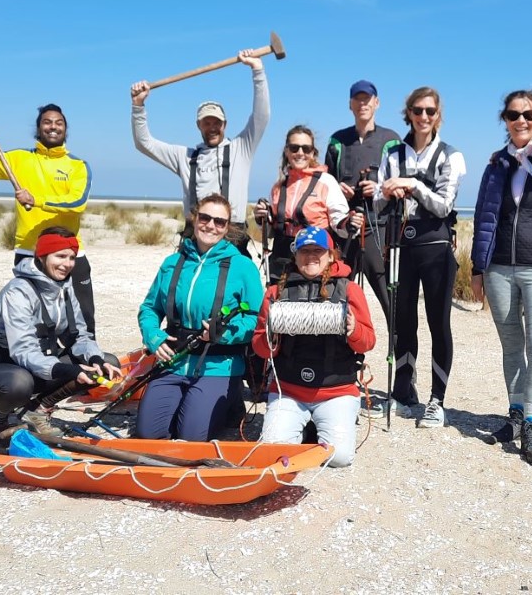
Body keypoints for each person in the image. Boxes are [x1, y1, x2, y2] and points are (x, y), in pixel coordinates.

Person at [470, 90, 532, 466]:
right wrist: (479, 267)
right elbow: (483, 217)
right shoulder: (496, 164)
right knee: (512, 347)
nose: (521, 120)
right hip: (498, 269)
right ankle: (514, 415)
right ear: (505, 120)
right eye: (513, 115)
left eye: (528, 114)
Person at [0, 227, 120, 447]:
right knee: (19, 382)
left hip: (36, 365)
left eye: (72, 258)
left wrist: (96, 360)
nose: (67, 264)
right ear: (42, 256)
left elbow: (79, 336)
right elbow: (23, 350)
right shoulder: (17, 291)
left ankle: (36, 411)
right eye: (60, 256)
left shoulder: (65, 288)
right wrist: (70, 370)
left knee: (106, 362)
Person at [373, 87, 466, 428]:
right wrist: (387, 190)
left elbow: (444, 205)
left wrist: (411, 185)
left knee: (438, 323)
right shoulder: (393, 154)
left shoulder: (450, 156)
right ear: (408, 113)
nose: (423, 117)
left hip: (435, 246)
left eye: (430, 111)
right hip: (400, 245)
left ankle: (437, 400)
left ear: (438, 115)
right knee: (402, 322)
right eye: (417, 110)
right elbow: (377, 203)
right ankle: (403, 388)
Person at [137, 193, 263, 441]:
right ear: (194, 219)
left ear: (227, 228)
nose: (211, 226)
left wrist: (225, 333)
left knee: (192, 438)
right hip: (173, 362)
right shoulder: (172, 263)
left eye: (220, 222)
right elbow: (149, 309)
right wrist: (154, 336)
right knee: (148, 435)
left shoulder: (242, 267)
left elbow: (256, 320)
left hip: (219, 365)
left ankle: (231, 402)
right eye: (205, 218)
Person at [0, 105, 97, 337]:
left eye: (58, 123)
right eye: (47, 122)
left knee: (82, 318)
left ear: (65, 129)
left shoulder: (78, 166)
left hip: (70, 254)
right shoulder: (18, 159)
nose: (53, 127)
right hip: (29, 252)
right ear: (38, 128)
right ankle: (39, 363)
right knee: (34, 318)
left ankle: (89, 361)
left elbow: (77, 202)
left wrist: (36, 200)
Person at [251, 226, 376, 467]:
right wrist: (271, 338)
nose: (310, 257)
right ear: (295, 256)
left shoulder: (349, 290)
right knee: (273, 454)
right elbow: (260, 348)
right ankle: (305, 427)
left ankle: (320, 424)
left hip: (336, 391)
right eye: (304, 251)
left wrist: (354, 330)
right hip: (289, 390)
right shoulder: (275, 293)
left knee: (339, 458)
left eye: (317, 251)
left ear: (331, 255)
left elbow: (368, 341)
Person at [130, 50, 270, 256]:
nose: (212, 127)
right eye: (207, 123)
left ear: (225, 124)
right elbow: (144, 143)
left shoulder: (242, 148)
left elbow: (262, 116)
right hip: (195, 234)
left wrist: (257, 69)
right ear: (199, 125)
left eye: (217, 123)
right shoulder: (184, 156)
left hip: (233, 235)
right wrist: (138, 105)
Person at [325, 80, 401, 317]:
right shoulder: (337, 140)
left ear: (376, 103)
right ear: (350, 104)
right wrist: (339, 189)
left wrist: (378, 188)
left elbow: (401, 183)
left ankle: (398, 349)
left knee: (390, 298)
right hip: (345, 229)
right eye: (357, 99)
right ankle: (339, 351)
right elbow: (325, 181)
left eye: (367, 99)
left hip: (379, 229)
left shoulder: (391, 140)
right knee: (337, 292)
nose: (362, 104)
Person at [254, 125, 363, 282]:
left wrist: (349, 222)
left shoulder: (326, 182)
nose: (300, 153)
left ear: (313, 153)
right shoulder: (278, 187)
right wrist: (261, 218)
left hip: (316, 256)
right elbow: (271, 230)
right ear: (286, 151)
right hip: (283, 259)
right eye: (294, 148)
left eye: (306, 149)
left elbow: (339, 222)